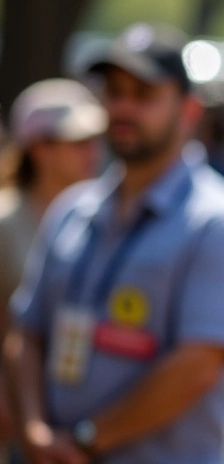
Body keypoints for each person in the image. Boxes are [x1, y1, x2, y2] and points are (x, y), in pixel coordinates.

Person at [3, 23, 224, 464]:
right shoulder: (72, 211)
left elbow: (197, 366)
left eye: (144, 95)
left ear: (188, 111)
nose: (123, 107)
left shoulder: (223, 225)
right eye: (114, 92)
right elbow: (26, 333)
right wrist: (34, 434)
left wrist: (85, 441)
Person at [0, 79, 106, 460]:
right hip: (15, 417)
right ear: (40, 149)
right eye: (78, 142)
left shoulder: (102, 217)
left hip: (81, 419)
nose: (93, 152)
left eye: (95, 139)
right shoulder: (5, 222)